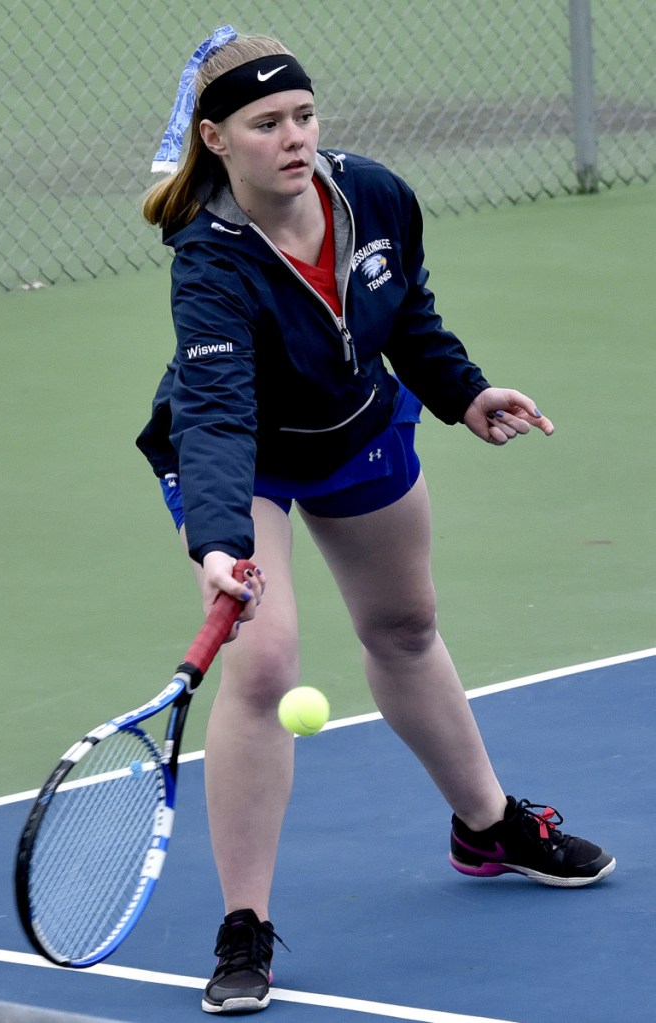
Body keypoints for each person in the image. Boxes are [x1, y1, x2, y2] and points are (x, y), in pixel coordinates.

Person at [137, 27, 615, 1015]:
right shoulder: (211, 260)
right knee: (263, 666)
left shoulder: (376, 194)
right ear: (216, 141)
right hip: (244, 459)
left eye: (304, 116)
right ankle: (245, 925)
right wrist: (219, 540)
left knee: (405, 626)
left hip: (356, 423)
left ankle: (488, 826)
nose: (294, 137)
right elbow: (219, 410)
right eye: (267, 124)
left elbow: (409, 315)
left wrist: (465, 392)